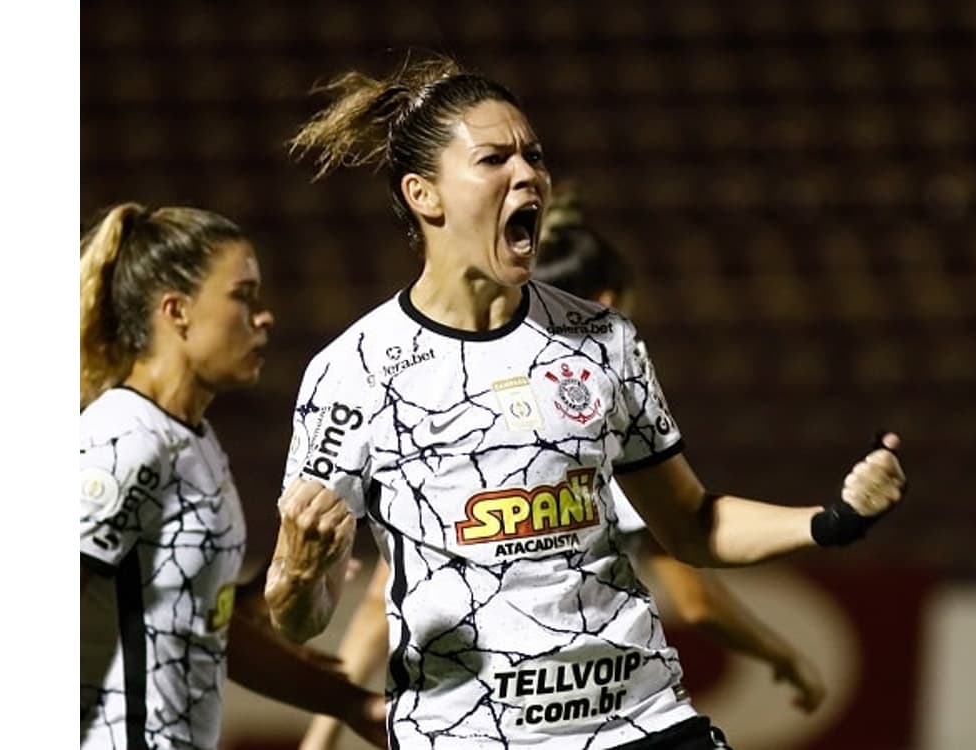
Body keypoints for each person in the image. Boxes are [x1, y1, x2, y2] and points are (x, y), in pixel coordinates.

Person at [265, 55, 906, 750]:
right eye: (493, 158)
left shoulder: (602, 340)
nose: (528, 173)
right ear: (425, 195)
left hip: (641, 723)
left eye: (532, 155)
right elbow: (298, 618)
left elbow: (691, 525)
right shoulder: (353, 372)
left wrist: (833, 521)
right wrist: (297, 577)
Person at [297, 189, 827, 750]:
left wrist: (321, 734)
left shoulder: (472, 423)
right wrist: (783, 654)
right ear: (605, 300)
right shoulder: (581, 436)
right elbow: (694, 591)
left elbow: (379, 610)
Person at [79, 203, 388, 749]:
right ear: (177, 312)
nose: (264, 317)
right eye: (242, 297)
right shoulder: (126, 440)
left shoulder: (190, 439)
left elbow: (204, 631)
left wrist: (350, 702)